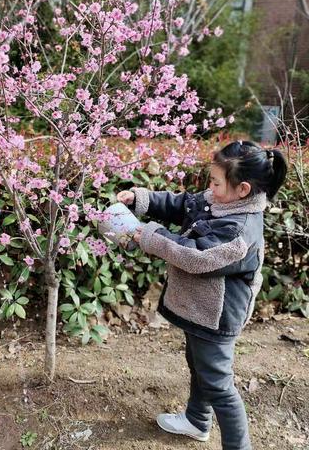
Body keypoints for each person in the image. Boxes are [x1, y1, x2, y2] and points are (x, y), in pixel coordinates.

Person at [117, 140, 287, 450]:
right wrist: (140, 199)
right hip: (200, 308)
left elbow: (195, 256)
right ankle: (197, 420)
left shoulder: (239, 230)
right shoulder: (220, 199)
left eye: (215, 181)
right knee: (199, 366)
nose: (209, 187)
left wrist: (152, 237)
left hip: (217, 315)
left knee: (219, 386)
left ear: (243, 189)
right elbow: (182, 204)